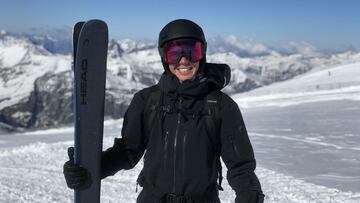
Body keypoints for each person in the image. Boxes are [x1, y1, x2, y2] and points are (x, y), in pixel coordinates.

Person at [64, 19, 265, 203]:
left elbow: (241, 168)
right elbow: (127, 152)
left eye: (191, 51)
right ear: (164, 58)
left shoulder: (221, 106)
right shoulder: (146, 101)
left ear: (202, 54)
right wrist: (89, 168)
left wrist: (250, 196)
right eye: (175, 53)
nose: (184, 61)